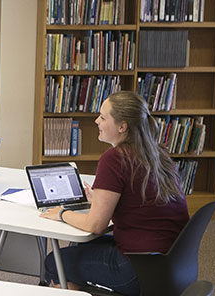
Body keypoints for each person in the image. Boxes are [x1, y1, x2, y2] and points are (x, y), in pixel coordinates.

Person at [40, 91, 189, 295]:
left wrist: (61, 213)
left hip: (137, 269)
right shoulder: (157, 153)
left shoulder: (114, 159)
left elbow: (96, 225)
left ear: (122, 126)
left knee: (55, 261)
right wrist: (100, 200)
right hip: (169, 263)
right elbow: (140, 201)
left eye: (102, 117)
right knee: (81, 248)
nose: (96, 121)